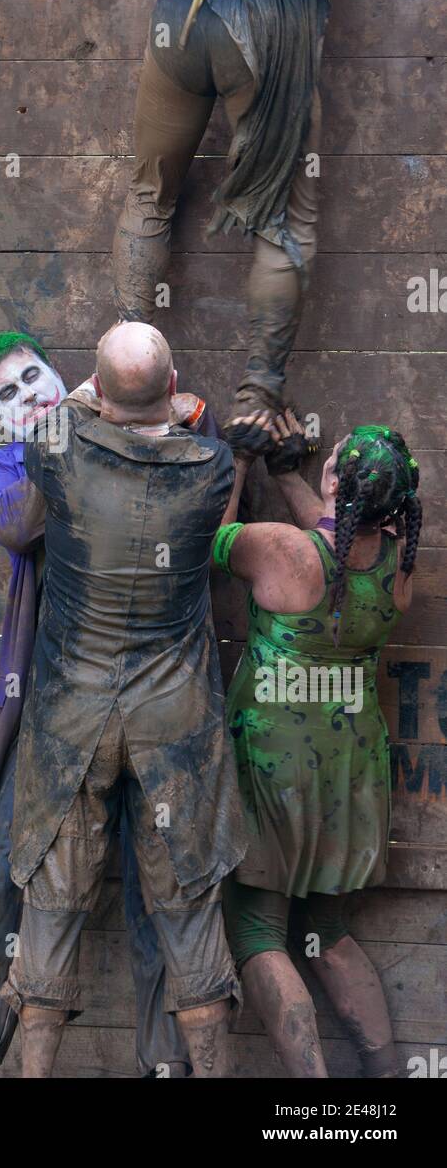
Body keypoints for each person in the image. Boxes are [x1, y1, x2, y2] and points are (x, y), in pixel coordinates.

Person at [0, 330, 220, 1078]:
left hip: (155, 709)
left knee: (158, 896)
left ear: (68, 373)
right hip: (51, 718)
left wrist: (122, 417)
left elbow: (203, 448)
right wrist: (70, 427)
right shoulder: (3, 467)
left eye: (35, 377)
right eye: (10, 396)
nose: (31, 396)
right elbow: (22, 523)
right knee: (4, 879)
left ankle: (165, 1064)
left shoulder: (159, 432)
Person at [112, 0, 441, 446]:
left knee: (149, 195)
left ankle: (120, 379)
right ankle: (257, 395)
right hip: (266, 28)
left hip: (178, 15)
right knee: (288, 218)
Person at [0, 321, 248, 1077]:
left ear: (98, 392)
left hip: (72, 721)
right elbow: (192, 438)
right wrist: (169, 409)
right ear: (173, 390)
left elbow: (69, 414)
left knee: (53, 904)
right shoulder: (211, 470)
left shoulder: (57, 452)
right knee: (189, 909)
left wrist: (100, 398)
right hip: (174, 723)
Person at [213, 411, 422, 1077]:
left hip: (276, 757)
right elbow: (337, 537)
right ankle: (388, 1075)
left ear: (335, 481)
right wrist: (291, 474)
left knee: (257, 932)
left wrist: (243, 463)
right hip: (350, 760)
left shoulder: (282, 550)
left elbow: (212, 541)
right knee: (326, 930)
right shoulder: (397, 566)